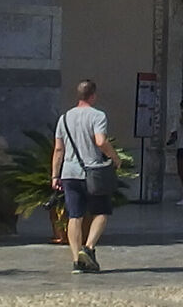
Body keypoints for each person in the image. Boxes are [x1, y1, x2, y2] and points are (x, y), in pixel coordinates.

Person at [53, 79, 116, 274]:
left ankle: (75, 260)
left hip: (69, 173)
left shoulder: (64, 118)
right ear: (93, 96)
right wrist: (114, 157)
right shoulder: (97, 116)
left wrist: (55, 175)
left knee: (75, 216)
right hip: (92, 172)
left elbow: (58, 149)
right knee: (101, 212)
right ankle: (88, 248)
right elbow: (100, 141)